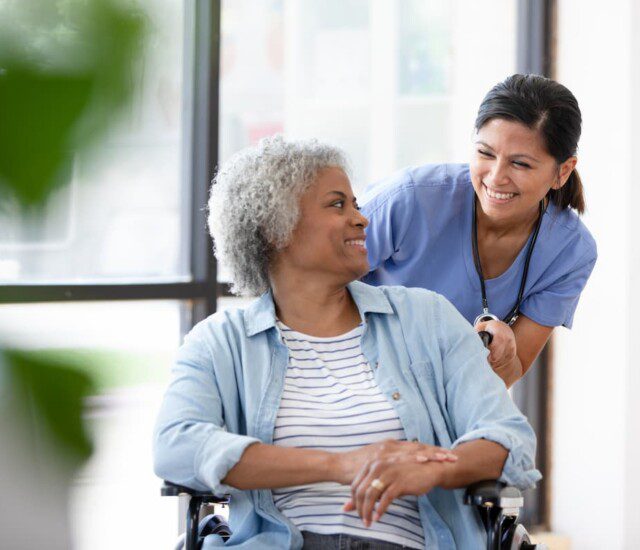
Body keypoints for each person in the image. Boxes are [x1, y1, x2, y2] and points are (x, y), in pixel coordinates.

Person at [153, 136, 540, 549]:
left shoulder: (427, 318)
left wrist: (438, 469)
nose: (362, 219)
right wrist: (339, 465)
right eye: (338, 205)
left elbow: (508, 436)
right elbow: (176, 445)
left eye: (355, 204)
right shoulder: (221, 342)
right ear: (275, 229)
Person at [361, 74, 597, 388]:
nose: (496, 177)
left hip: (444, 402)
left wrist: (504, 355)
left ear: (562, 172)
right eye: (486, 154)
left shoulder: (570, 252)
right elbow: (307, 285)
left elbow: (510, 374)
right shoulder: (411, 198)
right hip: (352, 378)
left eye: (520, 164)